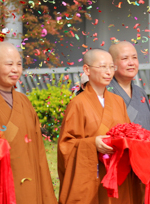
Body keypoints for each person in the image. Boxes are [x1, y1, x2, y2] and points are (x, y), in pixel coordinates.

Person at [57, 49, 140, 204]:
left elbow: (128, 133)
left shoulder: (117, 101)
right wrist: (92, 144)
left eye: (111, 67)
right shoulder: (78, 103)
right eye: (102, 67)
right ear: (87, 70)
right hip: (92, 174)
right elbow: (66, 145)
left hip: (117, 172)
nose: (108, 72)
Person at [0, 42, 56, 204]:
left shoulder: (24, 101)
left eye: (19, 64)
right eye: (9, 64)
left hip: (30, 181)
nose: (15, 69)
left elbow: (39, 152)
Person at [108, 41, 150, 138]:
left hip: (148, 150)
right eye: (125, 58)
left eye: (134, 58)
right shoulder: (106, 92)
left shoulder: (140, 92)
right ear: (112, 64)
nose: (131, 63)